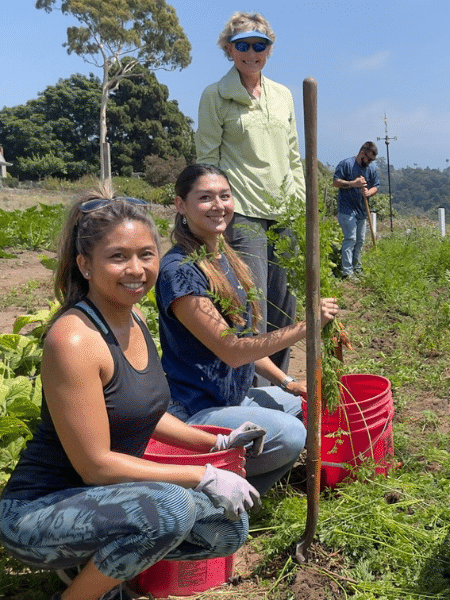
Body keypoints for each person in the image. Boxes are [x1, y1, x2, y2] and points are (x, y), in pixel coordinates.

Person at [0, 192, 261, 600]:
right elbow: (96, 467)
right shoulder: (74, 339)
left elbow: (144, 412)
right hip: (37, 513)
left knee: (227, 527)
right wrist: (204, 475)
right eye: (118, 257)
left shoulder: (135, 317)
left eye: (146, 254)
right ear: (85, 264)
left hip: (99, 501)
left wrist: (219, 442)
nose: (136, 269)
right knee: (171, 508)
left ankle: (96, 570)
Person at [156, 164, 339, 495]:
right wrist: (307, 327)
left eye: (224, 196)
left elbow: (245, 340)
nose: (219, 205)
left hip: (232, 397)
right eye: (205, 197)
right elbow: (232, 350)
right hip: (196, 411)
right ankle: (211, 494)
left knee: (306, 406)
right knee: (291, 435)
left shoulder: (224, 257)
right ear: (181, 205)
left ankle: (240, 487)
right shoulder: (178, 272)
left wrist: (286, 382)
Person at [196, 11, 305, 375]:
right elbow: (208, 159)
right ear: (229, 49)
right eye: (243, 45)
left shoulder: (283, 95)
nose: (251, 52)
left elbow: (292, 155)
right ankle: (251, 389)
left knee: (283, 306)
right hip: (242, 211)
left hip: (284, 212)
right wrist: (215, 209)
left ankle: (281, 386)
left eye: (260, 44)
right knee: (251, 304)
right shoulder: (215, 96)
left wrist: (300, 202)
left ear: (269, 49)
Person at [333, 141, 381, 279]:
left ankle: (357, 269)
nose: (370, 162)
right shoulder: (346, 164)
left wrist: (369, 193)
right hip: (347, 210)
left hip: (361, 211)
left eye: (373, 160)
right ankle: (347, 273)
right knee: (351, 239)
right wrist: (353, 183)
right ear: (362, 154)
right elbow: (336, 182)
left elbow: (376, 186)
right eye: (369, 159)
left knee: (360, 241)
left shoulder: (371, 169)